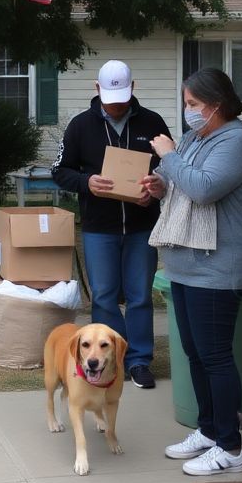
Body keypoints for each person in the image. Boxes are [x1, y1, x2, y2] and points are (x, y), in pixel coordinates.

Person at [141, 68, 242, 476]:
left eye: (193, 104)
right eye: (186, 103)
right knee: (195, 352)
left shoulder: (237, 140)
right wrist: (160, 186)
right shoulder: (197, 137)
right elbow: (181, 186)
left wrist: (169, 157)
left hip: (218, 264)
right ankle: (209, 430)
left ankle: (230, 448)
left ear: (216, 104)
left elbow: (205, 187)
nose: (188, 111)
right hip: (186, 263)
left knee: (215, 356)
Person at [51, 59, 170, 389]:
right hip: (99, 226)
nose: (116, 108)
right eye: (109, 101)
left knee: (139, 295)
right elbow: (60, 171)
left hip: (142, 225)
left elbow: (169, 169)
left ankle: (139, 360)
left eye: (121, 100)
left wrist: (155, 189)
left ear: (133, 89)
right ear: (97, 90)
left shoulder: (153, 122)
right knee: (103, 295)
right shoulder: (80, 126)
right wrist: (87, 182)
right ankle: (104, 362)